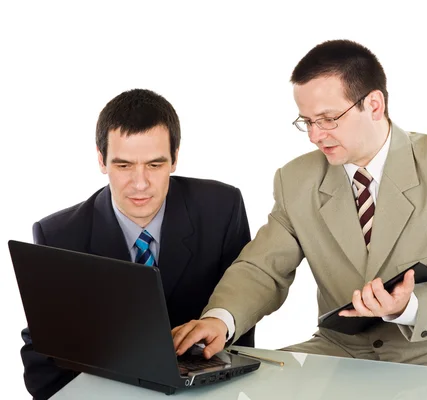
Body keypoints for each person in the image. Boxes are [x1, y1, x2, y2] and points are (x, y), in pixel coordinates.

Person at [172, 39, 427, 375]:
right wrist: (220, 318)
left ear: (374, 105)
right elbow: (263, 268)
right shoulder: (295, 180)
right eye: (307, 122)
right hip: (340, 351)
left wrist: (409, 306)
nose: (315, 135)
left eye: (327, 119)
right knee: (238, 386)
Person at [19, 89, 255, 400]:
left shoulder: (221, 208)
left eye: (155, 165)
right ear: (102, 160)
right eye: (124, 165)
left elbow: (241, 323)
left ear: (175, 159)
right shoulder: (60, 235)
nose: (140, 183)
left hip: (206, 388)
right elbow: (44, 358)